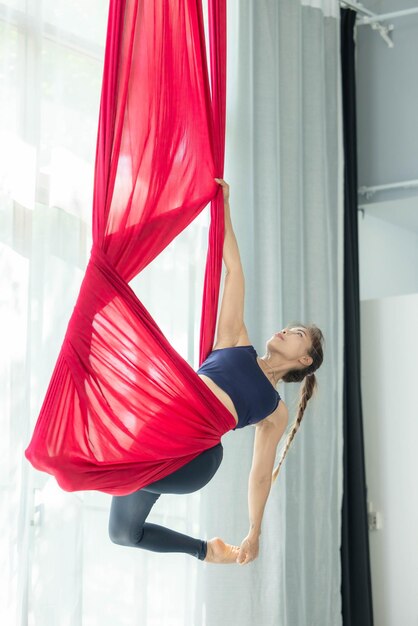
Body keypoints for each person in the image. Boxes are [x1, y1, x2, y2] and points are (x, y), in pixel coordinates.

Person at [108, 179, 324, 565]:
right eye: (289, 327)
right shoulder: (234, 340)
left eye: (297, 335)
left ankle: (212, 541)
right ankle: (208, 551)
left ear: (304, 360)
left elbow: (260, 474)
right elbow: (234, 268)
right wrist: (223, 205)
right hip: (160, 433)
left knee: (120, 468)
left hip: (195, 456)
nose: (286, 330)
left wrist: (254, 531)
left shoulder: (275, 411)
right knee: (123, 533)